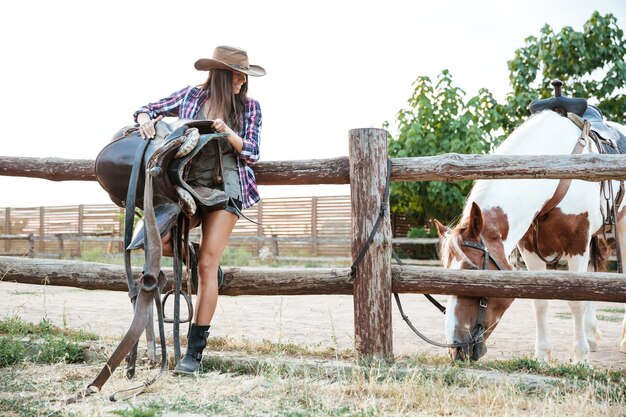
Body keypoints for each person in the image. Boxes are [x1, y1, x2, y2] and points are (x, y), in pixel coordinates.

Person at [133, 45, 265, 375]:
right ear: (222, 74)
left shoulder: (249, 107)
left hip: (227, 184)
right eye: (237, 74)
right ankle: (197, 257)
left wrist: (228, 132)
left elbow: (253, 152)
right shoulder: (192, 96)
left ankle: (194, 353)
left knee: (207, 265)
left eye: (244, 76)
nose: (242, 81)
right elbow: (147, 107)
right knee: (157, 240)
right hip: (188, 184)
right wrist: (145, 119)